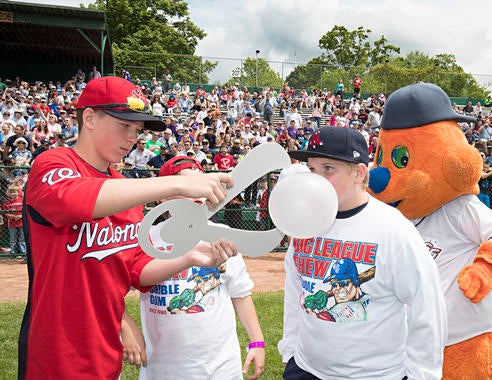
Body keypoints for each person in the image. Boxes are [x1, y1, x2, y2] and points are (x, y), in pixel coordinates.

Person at [18, 76, 238, 379]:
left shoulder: (126, 192)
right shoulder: (52, 164)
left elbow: (135, 270)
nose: (132, 137)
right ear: (90, 118)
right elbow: (73, 199)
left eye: (136, 130)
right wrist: (180, 182)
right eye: (124, 125)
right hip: (54, 355)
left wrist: (190, 257)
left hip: (107, 354)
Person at [279, 127, 446, 379]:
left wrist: (422, 374)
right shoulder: (305, 221)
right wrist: (291, 352)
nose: (316, 179)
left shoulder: (393, 229)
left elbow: (427, 307)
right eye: (312, 170)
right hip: (306, 369)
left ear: (359, 173)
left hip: (375, 374)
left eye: (328, 169)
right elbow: (295, 290)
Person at [126, 156, 265, 380]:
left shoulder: (221, 234)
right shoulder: (147, 238)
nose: (196, 196)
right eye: (187, 188)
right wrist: (126, 326)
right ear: (163, 195)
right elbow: (113, 287)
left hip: (220, 368)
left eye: (201, 187)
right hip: (162, 368)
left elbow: (240, 293)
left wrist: (257, 342)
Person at [2, 183, 26, 261]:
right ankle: (13, 252)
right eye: (11, 192)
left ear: (18, 192)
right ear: (8, 193)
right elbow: (5, 212)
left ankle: (22, 252)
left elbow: (25, 210)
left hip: (21, 222)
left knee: (21, 238)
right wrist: (12, 216)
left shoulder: (22, 201)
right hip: (12, 223)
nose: (13, 193)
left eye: (15, 192)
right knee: (13, 239)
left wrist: (20, 216)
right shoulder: (7, 203)